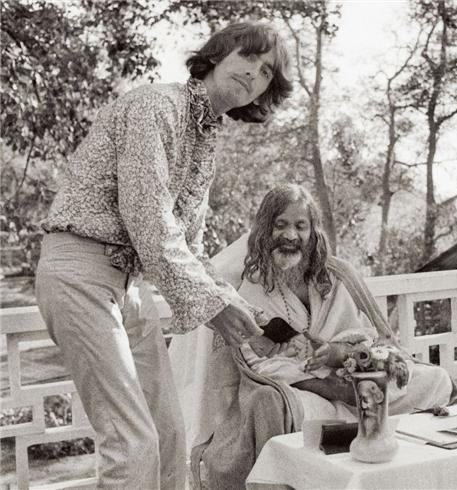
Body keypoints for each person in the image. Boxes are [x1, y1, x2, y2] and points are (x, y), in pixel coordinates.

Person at [34, 22, 292, 489]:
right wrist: (215, 308)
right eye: (248, 56)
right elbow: (147, 217)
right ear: (216, 55)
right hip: (78, 269)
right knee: (131, 441)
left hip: (127, 285)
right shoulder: (158, 105)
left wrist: (243, 310)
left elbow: (188, 247)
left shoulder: (205, 141)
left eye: (267, 72)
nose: (255, 73)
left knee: (169, 433)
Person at [169, 184, 457, 488]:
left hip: (355, 379)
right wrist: (329, 387)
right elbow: (259, 362)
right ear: (265, 229)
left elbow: (366, 336)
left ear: (313, 232)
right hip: (306, 390)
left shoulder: (333, 276)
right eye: (281, 225)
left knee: (434, 381)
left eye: (300, 226)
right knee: (272, 404)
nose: (290, 235)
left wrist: (340, 354)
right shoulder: (253, 286)